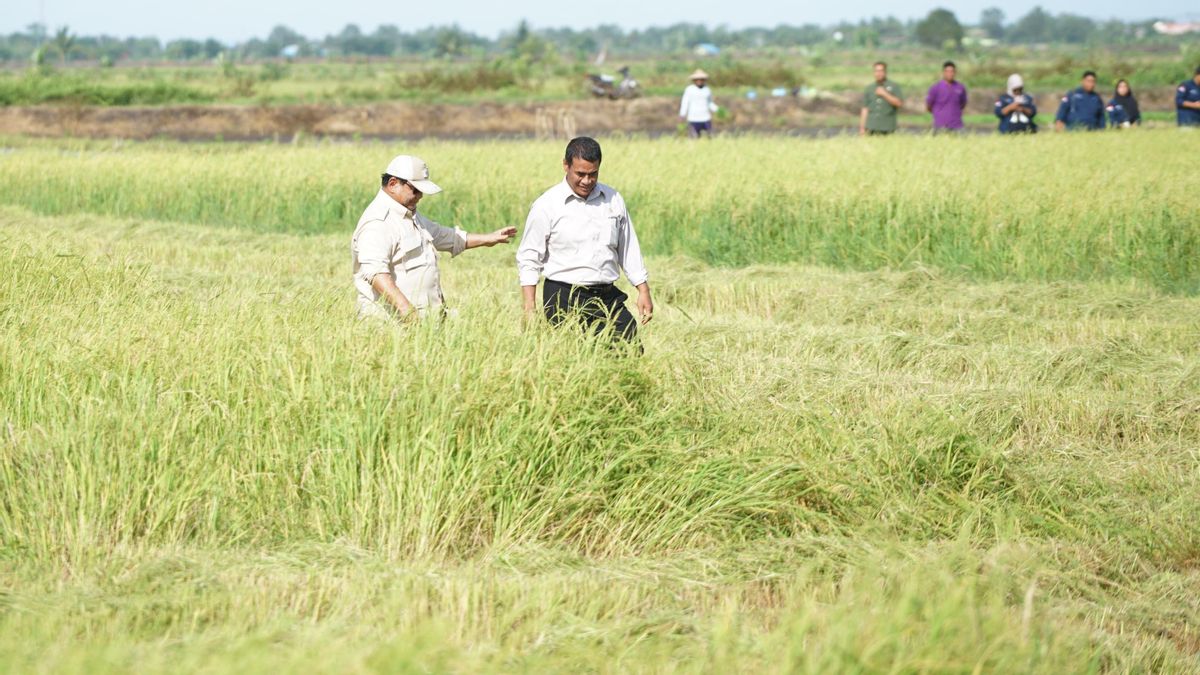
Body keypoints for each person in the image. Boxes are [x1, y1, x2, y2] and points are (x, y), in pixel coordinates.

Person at [516, 137, 653, 345]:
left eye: (593, 174)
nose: (587, 181)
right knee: (573, 359)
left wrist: (643, 289)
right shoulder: (547, 205)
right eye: (580, 174)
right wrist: (529, 308)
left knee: (630, 350)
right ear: (566, 165)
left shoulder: (613, 199)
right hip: (564, 297)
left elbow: (628, 248)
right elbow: (529, 258)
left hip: (607, 295)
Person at [351, 154, 516, 321]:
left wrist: (488, 239)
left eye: (422, 191)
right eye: (415, 190)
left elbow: (444, 236)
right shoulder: (378, 222)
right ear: (393, 184)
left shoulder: (410, 215)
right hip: (391, 326)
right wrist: (407, 311)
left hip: (422, 323)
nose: (420, 196)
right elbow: (376, 274)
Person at [860, 61, 904, 136]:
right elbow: (865, 109)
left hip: (887, 127)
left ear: (885, 72)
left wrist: (885, 94)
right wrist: (862, 128)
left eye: (881, 71)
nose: (878, 73)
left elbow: (899, 103)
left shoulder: (894, 86)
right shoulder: (869, 88)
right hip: (871, 127)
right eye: (876, 71)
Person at [926, 60, 967, 133]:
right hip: (940, 125)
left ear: (955, 73)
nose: (950, 74)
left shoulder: (960, 87)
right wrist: (939, 113)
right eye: (947, 71)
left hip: (957, 125)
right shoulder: (935, 88)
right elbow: (929, 106)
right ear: (943, 73)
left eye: (952, 71)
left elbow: (963, 104)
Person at [679, 69, 717, 138]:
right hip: (693, 118)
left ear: (704, 80)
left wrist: (718, 110)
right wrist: (682, 115)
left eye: (701, 79)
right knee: (694, 138)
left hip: (706, 118)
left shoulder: (707, 90)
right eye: (697, 79)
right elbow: (685, 103)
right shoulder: (689, 90)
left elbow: (710, 103)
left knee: (710, 137)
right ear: (694, 80)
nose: (699, 81)